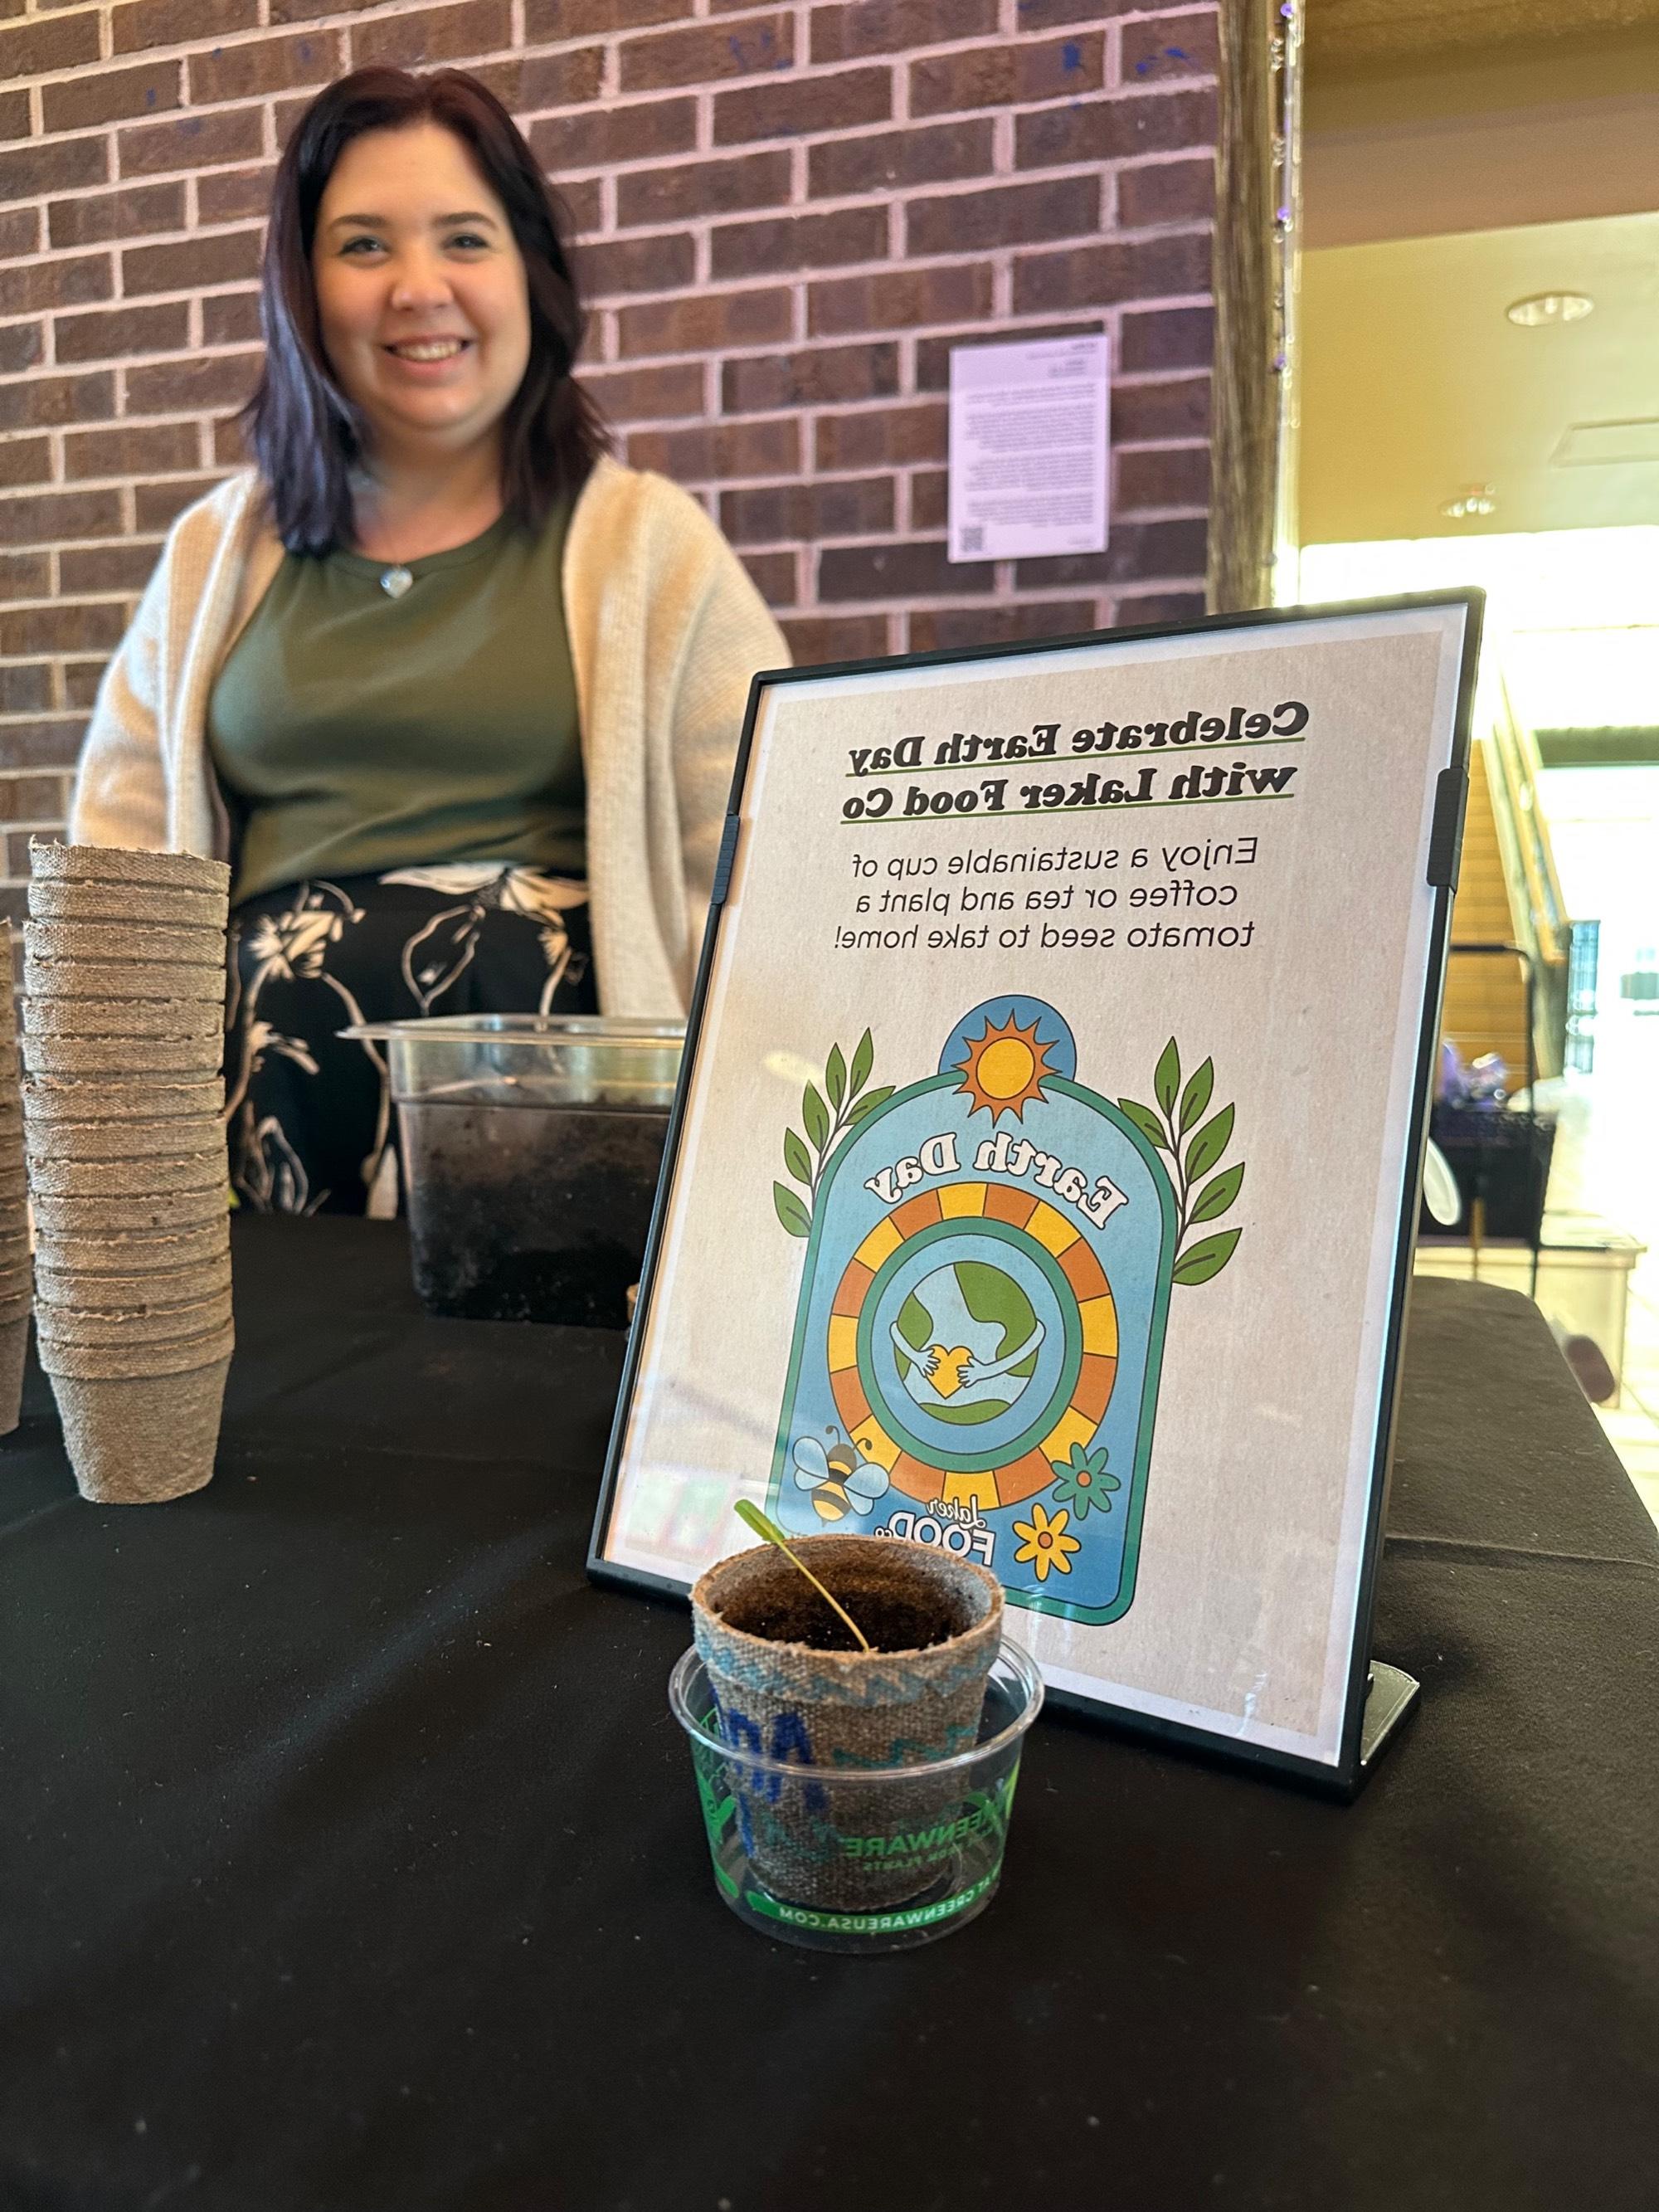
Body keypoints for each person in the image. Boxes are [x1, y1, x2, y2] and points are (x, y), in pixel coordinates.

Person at [70, 66, 787, 1216]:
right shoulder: (216, 555)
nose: (419, 288)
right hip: (255, 1183)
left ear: (531, 275)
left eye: (465, 238)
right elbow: (116, 873)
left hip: (574, 1175)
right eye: (362, 247)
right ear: (302, 289)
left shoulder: (651, 551)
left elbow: (774, 869)